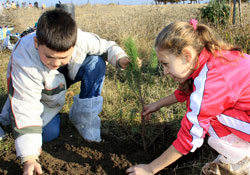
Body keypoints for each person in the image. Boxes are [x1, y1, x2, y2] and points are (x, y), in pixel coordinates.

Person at [0, 9, 130, 175]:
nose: (56, 63)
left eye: (63, 57)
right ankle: (12, 116)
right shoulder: (24, 59)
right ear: (36, 43)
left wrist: (120, 58)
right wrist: (29, 157)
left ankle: (84, 118)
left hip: (61, 81)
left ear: (73, 45)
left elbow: (107, 46)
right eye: (49, 57)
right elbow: (26, 104)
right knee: (48, 134)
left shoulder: (80, 38)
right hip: (40, 94)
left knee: (96, 62)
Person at [126, 19, 250, 175]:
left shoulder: (212, 78)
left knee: (207, 117)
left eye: (165, 64)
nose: (164, 72)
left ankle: (242, 160)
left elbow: (190, 135)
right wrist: (158, 104)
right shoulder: (212, 57)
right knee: (203, 108)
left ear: (187, 55)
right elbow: (190, 90)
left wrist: (151, 168)